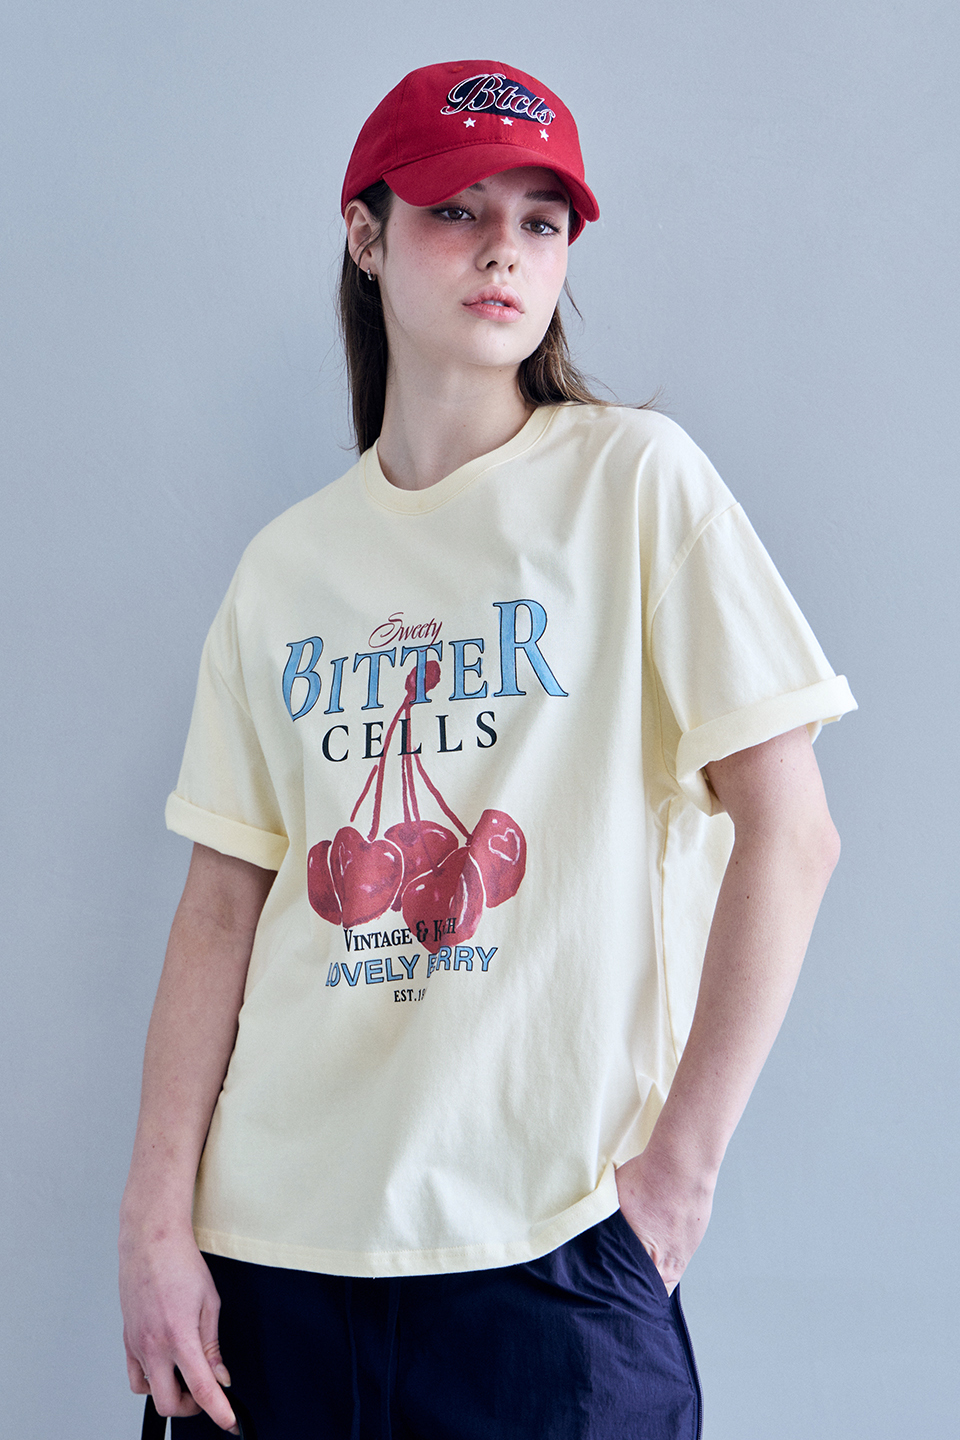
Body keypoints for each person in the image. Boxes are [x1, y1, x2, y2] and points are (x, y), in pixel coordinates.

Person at [119, 59, 856, 1439]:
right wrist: (155, 1223)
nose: (503, 250)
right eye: (457, 210)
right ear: (366, 234)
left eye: (540, 221)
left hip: (548, 1254)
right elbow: (221, 908)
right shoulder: (286, 569)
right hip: (273, 1255)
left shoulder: (636, 485)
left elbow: (794, 832)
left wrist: (677, 1179)